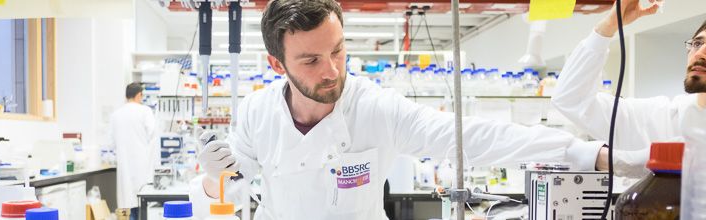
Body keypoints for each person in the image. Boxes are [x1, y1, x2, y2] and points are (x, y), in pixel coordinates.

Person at [190, 0, 607, 219]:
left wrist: (585, 154)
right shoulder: (257, 113)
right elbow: (229, 192)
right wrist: (213, 180)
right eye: (311, 61)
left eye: (338, 50)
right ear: (277, 65)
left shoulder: (375, 108)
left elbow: (469, 136)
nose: (333, 70)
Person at [550, 0, 705, 217]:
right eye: (697, 43)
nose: (700, 53)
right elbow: (570, 99)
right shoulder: (665, 116)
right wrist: (609, 26)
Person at [108, 82, 158, 220]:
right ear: (139, 95)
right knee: (143, 204)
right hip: (142, 165)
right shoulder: (145, 111)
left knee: (128, 205)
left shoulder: (115, 115)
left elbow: (111, 143)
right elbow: (154, 134)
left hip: (124, 166)